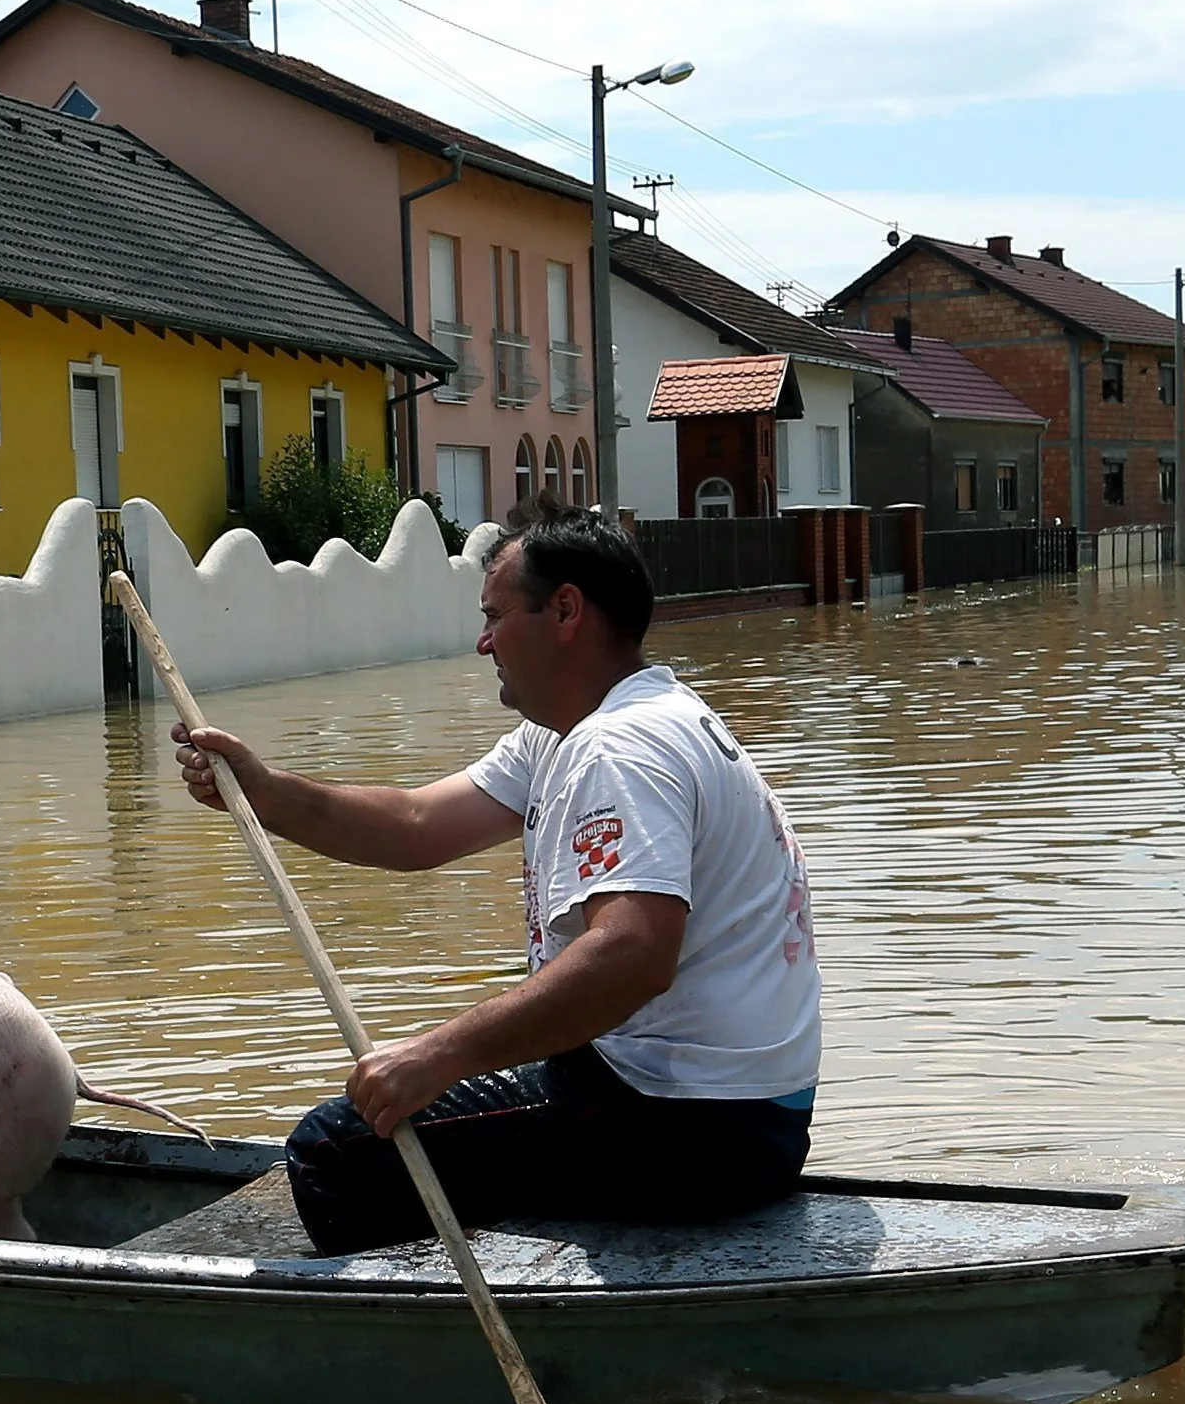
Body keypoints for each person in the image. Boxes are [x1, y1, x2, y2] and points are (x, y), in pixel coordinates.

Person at [172, 508, 820, 1253]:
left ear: (567, 610)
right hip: (738, 1108)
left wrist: (438, 1054)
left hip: (698, 1124)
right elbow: (417, 826)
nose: (483, 643)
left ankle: (431, 1342)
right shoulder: (582, 726)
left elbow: (634, 954)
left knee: (335, 1147)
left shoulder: (619, 747)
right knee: (440, 1097)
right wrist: (263, 790)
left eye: (496, 617)